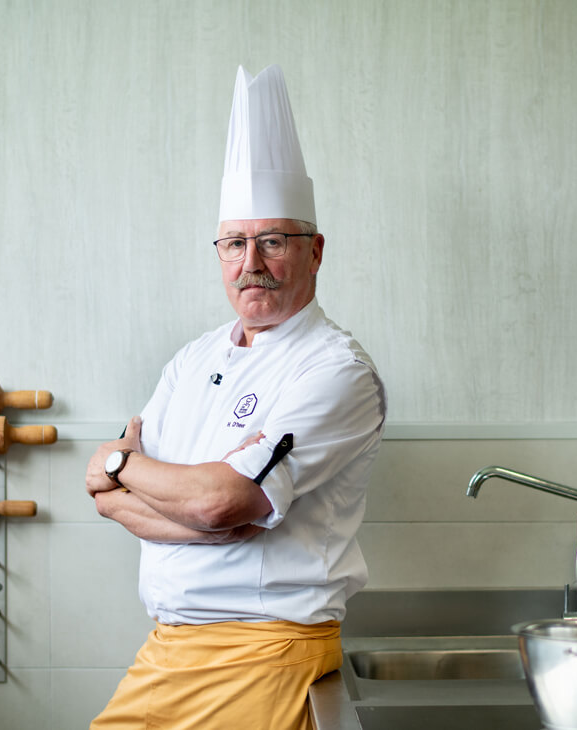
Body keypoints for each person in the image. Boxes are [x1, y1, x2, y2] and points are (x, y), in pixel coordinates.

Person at [85, 64, 387, 730]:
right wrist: (158, 497)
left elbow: (222, 500)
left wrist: (119, 466)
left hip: (263, 651)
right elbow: (118, 504)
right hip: (169, 649)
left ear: (315, 251)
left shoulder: (335, 371)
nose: (250, 262)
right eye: (234, 243)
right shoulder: (192, 360)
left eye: (274, 241)